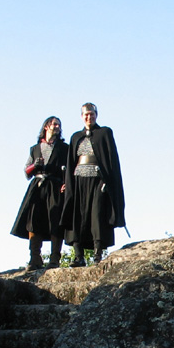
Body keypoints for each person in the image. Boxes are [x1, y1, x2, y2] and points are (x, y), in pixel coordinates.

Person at [60, 103, 125, 266]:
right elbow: (71, 162)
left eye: (92, 114)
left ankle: (97, 255)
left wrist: (108, 182)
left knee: (97, 215)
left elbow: (111, 160)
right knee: (78, 216)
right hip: (78, 181)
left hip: (98, 180)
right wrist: (68, 183)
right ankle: (78, 256)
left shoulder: (104, 133)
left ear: (96, 115)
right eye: (86, 115)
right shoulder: (76, 137)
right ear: (82, 116)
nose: (89, 117)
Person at [10, 116, 67, 270]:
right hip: (37, 186)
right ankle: (35, 259)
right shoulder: (35, 149)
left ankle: (54, 259)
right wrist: (34, 166)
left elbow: (69, 169)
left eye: (59, 125)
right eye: (54, 124)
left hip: (55, 186)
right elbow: (26, 172)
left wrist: (66, 184)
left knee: (56, 220)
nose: (57, 127)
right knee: (34, 220)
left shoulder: (64, 148)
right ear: (46, 126)